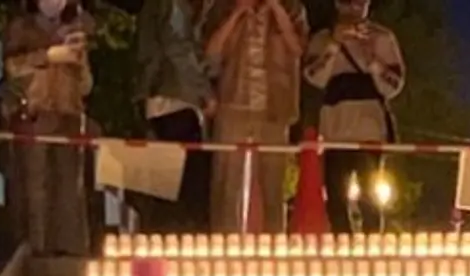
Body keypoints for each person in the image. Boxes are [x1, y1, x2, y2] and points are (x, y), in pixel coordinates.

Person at [2, 0, 96, 256]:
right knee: (35, 186)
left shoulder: (74, 30)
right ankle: (35, 249)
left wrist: (79, 63)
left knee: (70, 187)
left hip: (69, 116)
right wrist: (47, 55)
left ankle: (69, 250)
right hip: (35, 114)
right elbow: (11, 68)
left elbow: (86, 86)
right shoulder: (22, 27)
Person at [205, 0, 309, 232]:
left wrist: (276, 8)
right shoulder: (223, 6)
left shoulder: (292, 8)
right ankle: (225, 242)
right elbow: (211, 51)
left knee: (273, 185)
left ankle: (273, 242)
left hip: (274, 107)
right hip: (233, 104)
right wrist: (237, 13)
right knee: (227, 184)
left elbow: (298, 49)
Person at [304, 0, 406, 234]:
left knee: (370, 198)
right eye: (348, 3)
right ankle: (342, 247)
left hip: (369, 128)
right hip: (335, 129)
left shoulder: (382, 38)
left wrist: (373, 61)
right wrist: (334, 45)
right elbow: (313, 77)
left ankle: (371, 247)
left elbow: (394, 85)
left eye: (361, 3)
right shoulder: (322, 38)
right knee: (335, 198)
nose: (355, 8)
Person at [132, 0, 216, 233]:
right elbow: (178, 49)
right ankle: (178, 235)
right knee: (186, 186)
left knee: (168, 185)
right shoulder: (172, 5)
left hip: (163, 98)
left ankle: (164, 234)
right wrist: (204, 91)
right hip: (175, 99)